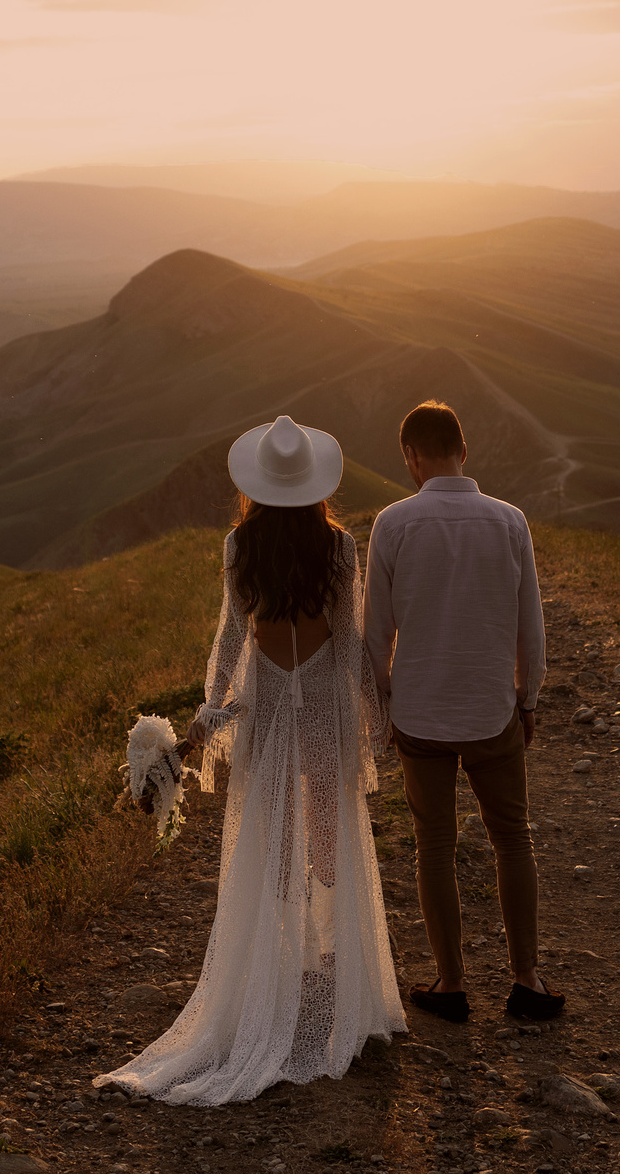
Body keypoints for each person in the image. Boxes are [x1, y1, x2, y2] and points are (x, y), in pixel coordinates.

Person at [94, 416, 404, 1104]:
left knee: (275, 840)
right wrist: (378, 717)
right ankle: (329, 959)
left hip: (266, 711)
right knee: (330, 832)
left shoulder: (241, 546)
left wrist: (207, 721)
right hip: (321, 704)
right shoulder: (339, 546)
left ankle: (286, 955)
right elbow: (349, 640)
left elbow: (232, 643)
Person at [364, 399, 565, 1024]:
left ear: (412, 457)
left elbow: (375, 635)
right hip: (490, 710)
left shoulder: (392, 524)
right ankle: (526, 979)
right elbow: (531, 625)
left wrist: (383, 708)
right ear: (463, 450)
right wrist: (527, 698)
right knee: (512, 839)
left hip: (420, 714)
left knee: (434, 846)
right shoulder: (510, 522)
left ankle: (451, 984)